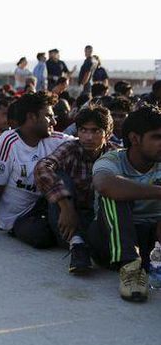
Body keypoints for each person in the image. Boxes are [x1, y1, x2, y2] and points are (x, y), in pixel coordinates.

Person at [0, 92, 73, 246]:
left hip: (43, 205)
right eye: (49, 116)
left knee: (61, 175)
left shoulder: (54, 139)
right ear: (32, 117)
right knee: (41, 238)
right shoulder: (7, 143)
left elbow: (84, 144)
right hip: (19, 215)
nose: (54, 121)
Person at [87, 105, 161, 302]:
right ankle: (130, 268)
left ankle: (144, 264)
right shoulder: (111, 160)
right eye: (157, 137)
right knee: (115, 194)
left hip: (150, 241)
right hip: (110, 240)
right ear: (135, 139)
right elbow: (103, 185)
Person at [34, 106, 118, 273]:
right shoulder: (70, 148)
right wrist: (66, 208)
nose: (88, 137)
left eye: (95, 131)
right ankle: (77, 245)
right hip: (66, 215)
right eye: (83, 130)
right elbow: (42, 167)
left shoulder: (114, 154)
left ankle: (85, 243)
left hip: (96, 217)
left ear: (107, 134)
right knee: (59, 176)